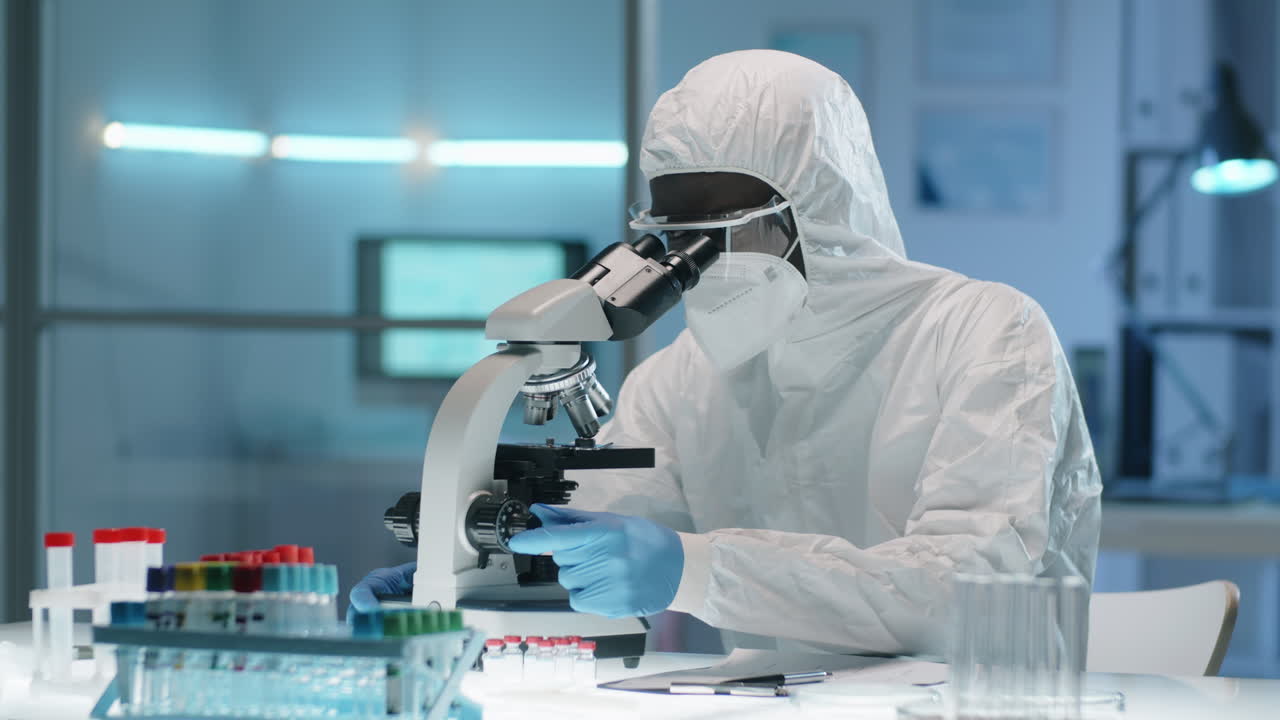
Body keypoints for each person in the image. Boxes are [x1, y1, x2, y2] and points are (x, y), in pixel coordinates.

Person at [351, 49, 1102, 657]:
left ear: (821, 208)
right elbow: (592, 536)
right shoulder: (685, 376)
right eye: (680, 236)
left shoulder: (986, 333)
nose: (700, 264)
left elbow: (965, 593)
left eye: (727, 230)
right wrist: (477, 578)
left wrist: (696, 567)